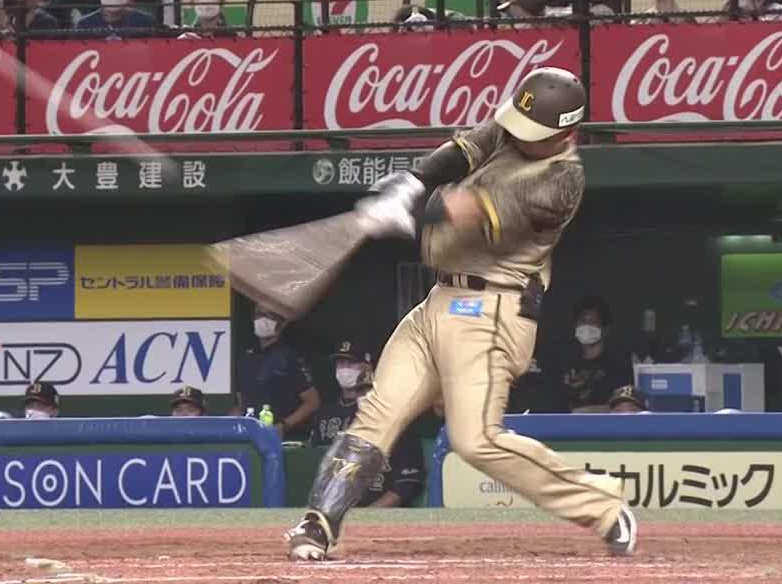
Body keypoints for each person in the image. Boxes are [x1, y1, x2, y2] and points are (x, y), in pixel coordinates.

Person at [283, 67, 636, 561]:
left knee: (475, 441)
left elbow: (469, 209)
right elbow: (463, 150)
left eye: (533, 132)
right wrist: (414, 179)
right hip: (438, 301)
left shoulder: (561, 181)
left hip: (490, 313)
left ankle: (602, 505)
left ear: (565, 133)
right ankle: (320, 522)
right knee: (378, 413)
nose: (518, 134)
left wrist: (407, 211)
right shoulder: (514, 128)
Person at [308, 340, 425, 508]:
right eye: (341, 363)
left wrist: (369, 514)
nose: (345, 369)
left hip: (383, 512)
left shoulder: (395, 418)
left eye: (351, 363)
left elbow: (407, 483)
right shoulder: (325, 415)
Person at [235, 305, 321, 440]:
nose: (263, 319)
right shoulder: (246, 358)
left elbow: (312, 402)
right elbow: (242, 404)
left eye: (269, 315)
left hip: (287, 439)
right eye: (259, 314)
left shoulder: (289, 357)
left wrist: (283, 426)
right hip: (251, 437)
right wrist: (229, 423)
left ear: (282, 322)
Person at [561, 295, 634, 412]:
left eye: (593, 322)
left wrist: (586, 412)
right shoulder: (567, 362)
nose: (587, 326)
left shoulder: (618, 365)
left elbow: (623, 407)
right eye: (583, 321)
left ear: (605, 329)